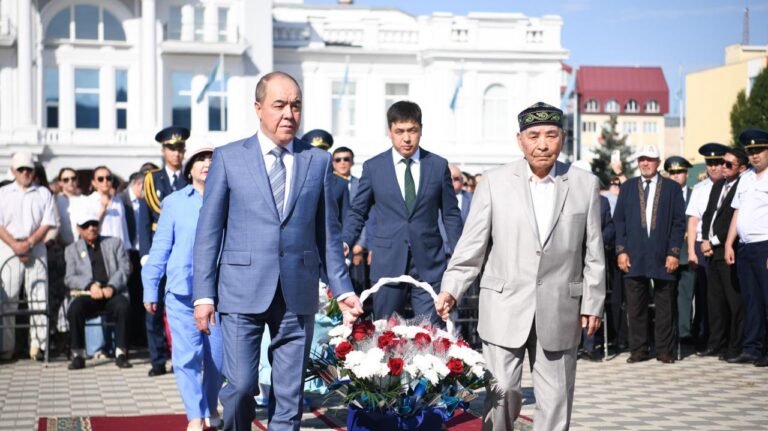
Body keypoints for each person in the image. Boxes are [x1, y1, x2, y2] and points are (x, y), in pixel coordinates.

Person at [192, 71, 363, 431]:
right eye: (280, 105)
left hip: (297, 292)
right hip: (240, 291)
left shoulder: (317, 161)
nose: (289, 114)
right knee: (240, 386)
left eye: (296, 106)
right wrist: (204, 295)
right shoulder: (229, 158)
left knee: (289, 396)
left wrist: (343, 288)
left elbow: (327, 234)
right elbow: (209, 232)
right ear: (258, 108)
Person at [435, 102, 605, 431]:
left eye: (551, 135)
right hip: (504, 306)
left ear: (563, 138)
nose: (542, 144)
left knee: (556, 399)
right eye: (534, 136)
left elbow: (594, 251)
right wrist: (451, 289)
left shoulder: (584, 184)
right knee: (502, 393)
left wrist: (593, 302)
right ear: (520, 140)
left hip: (560, 308)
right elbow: (472, 245)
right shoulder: (494, 182)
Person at [342, 100, 463, 325]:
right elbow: (358, 211)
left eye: (412, 130)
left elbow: (451, 215)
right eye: (399, 131)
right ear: (390, 131)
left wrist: (461, 255)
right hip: (387, 263)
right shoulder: (374, 167)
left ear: (421, 130)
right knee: (386, 332)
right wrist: (346, 241)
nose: (406, 138)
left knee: (432, 334)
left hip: (429, 264)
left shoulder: (438, 166)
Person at [143, 144, 223, 431]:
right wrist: (150, 287)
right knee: (187, 357)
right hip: (182, 293)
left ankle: (210, 405)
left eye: (212, 159)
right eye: (200, 159)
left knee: (217, 359)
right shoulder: (174, 202)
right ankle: (195, 414)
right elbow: (160, 247)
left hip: (218, 293)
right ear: (189, 170)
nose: (207, 163)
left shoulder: (228, 199)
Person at [613, 145, 686, 364]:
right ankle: (639, 350)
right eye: (641, 159)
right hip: (634, 255)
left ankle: (664, 350)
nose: (645, 163)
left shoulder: (672, 188)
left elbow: (679, 222)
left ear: (658, 162)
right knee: (635, 305)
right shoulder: (628, 187)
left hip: (663, 254)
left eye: (650, 159)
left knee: (665, 305)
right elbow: (619, 221)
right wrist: (621, 251)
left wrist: (674, 252)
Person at [140, 126, 188, 377]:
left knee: (182, 306)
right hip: (159, 249)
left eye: (180, 148)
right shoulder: (152, 180)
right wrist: (145, 253)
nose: (176, 153)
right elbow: (144, 219)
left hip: (183, 250)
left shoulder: (189, 178)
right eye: (171, 148)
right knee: (154, 307)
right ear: (163, 151)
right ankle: (158, 359)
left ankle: (182, 356)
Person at [0, 151, 57, 361]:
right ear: (13, 171)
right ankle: (6, 348)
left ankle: (38, 346)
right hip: (9, 246)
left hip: (36, 246)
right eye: (21, 169)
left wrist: (29, 243)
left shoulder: (43, 193)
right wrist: (15, 245)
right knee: (8, 298)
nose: (25, 173)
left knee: (39, 296)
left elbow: (47, 222)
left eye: (29, 169)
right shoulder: (3, 193)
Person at [64, 205, 132, 370]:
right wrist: (90, 285)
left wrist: (112, 286)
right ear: (79, 228)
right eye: (86, 225)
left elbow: (125, 268)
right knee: (74, 309)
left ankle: (121, 353)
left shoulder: (115, 243)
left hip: (112, 292)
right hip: (88, 294)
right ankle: (78, 355)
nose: (91, 228)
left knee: (123, 306)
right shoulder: (72, 250)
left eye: (94, 224)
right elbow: (69, 278)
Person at [725, 128, 768, 367]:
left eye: (759, 150)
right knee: (751, 300)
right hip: (745, 246)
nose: (754, 156)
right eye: (750, 152)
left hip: (765, 245)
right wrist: (729, 243)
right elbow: (737, 212)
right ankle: (752, 348)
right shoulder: (746, 178)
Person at [700, 148, 747, 361]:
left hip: (729, 249)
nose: (723, 167)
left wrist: (714, 241)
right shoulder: (718, 185)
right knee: (715, 300)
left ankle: (734, 346)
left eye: (729, 164)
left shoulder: (742, 186)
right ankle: (715, 343)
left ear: (742, 168)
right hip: (711, 250)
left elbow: (732, 221)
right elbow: (708, 214)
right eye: (722, 162)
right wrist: (705, 240)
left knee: (733, 301)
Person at [686, 143, 728, 348]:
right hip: (700, 246)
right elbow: (693, 221)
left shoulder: (731, 186)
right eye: (709, 163)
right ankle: (705, 334)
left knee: (724, 294)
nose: (713, 167)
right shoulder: (700, 188)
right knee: (704, 294)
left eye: (717, 162)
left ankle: (724, 337)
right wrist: (691, 251)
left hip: (722, 244)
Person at [664, 156, 696, 344]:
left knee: (686, 294)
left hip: (689, 251)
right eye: (672, 173)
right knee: (665, 295)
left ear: (687, 174)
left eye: (680, 172)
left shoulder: (695, 194)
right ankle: (668, 332)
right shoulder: (663, 195)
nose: (676, 176)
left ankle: (684, 333)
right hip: (667, 251)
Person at [332, 146, 371, 296]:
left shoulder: (361, 184)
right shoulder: (328, 184)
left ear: (352, 162)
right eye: (338, 160)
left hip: (358, 244)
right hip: (336, 243)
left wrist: (361, 243)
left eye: (346, 159)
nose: (342, 163)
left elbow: (367, 216)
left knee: (358, 288)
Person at [119, 172, 147, 346]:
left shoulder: (145, 200)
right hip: (128, 253)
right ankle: (131, 338)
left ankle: (141, 336)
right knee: (131, 296)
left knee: (143, 295)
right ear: (138, 184)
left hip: (143, 253)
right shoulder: (121, 200)